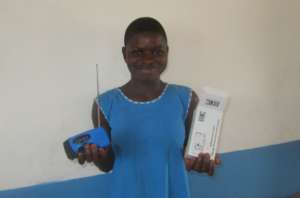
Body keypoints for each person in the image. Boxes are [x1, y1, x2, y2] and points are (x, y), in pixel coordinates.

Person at [77, 17, 221, 198]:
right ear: (124, 54)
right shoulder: (104, 104)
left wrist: (202, 161)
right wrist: (96, 156)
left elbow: (190, 155)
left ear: (167, 52)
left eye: (157, 51)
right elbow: (108, 164)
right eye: (138, 52)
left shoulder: (186, 98)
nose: (148, 59)